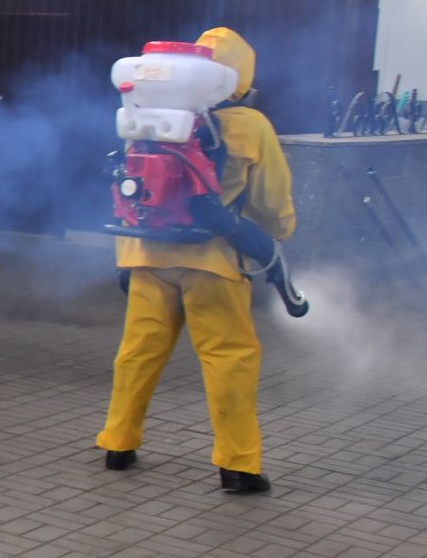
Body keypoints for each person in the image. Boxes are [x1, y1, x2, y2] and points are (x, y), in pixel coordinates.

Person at [97, 26, 296, 494]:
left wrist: (125, 257)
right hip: (213, 262)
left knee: (138, 354)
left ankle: (118, 443)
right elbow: (272, 202)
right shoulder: (250, 126)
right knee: (229, 359)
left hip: (146, 253)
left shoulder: (146, 111)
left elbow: (132, 186)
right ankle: (239, 466)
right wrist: (280, 234)